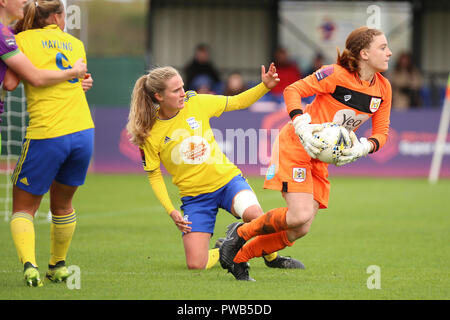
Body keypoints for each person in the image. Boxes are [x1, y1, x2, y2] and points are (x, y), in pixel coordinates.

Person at [219, 26, 393, 281]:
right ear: (364, 54)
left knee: (300, 228)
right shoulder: (335, 74)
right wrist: (301, 125)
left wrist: (362, 147)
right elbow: (293, 91)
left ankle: (240, 256)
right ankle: (240, 234)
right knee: (299, 215)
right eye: (383, 47)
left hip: (319, 159)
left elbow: (382, 133)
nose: (389, 53)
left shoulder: (383, 88)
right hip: (296, 145)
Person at [126, 63, 304, 280]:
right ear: (159, 96)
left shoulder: (196, 102)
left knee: (255, 217)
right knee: (196, 265)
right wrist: (171, 211)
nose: (183, 93)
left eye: (182, 87)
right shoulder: (149, 132)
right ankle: (225, 247)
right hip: (195, 198)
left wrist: (264, 86)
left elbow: (237, 102)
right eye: (176, 90)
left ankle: (271, 257)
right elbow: (154, 174)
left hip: (227, 182)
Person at [9, 0, 94, 287]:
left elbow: (9, 82)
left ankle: (30, 267)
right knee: (63, 204)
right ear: (58, 16)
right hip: (83, 132)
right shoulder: (75, 45)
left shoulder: (20, 39)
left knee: (23, 208)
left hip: (48, 132)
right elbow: (79, 81)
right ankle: (58, 265)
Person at [0, 0, 87, 155]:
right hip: (76, 131)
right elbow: (35, 78)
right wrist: (73, 73)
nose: (24, 1)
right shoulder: (5, 35)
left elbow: (10, 83)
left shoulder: (12, 36)